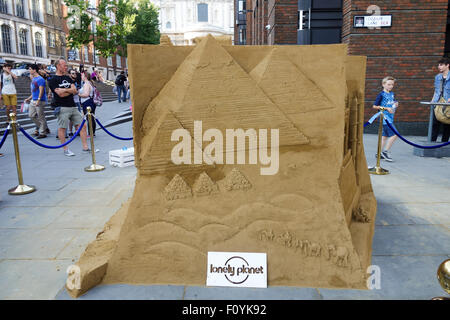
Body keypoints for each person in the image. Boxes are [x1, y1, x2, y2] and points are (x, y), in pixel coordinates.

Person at [48, 58, 89, 156]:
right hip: (62, 107)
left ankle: (85, 147)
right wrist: (69, 91)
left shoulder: (68, 78)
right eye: (64, 65)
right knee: (62, 128)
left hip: (73, 106)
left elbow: (75, 91)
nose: (66, 67)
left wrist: (64, 90)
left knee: (83, 125)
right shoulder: (52, 79)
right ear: (58, 66)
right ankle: (65, 149)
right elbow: (59, 94)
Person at [372, 76, 399, 162]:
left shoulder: (392, 94)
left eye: (392, 84)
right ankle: (385, 152)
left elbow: (392, 103)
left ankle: (379, 153)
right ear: (383, 84)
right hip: (385, 119)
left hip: (391, 117)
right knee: (395, 134)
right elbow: (375, 106)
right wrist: (386, 109)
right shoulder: (381, 95)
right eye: (388, 84)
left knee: (384, 137)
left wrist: (395, 104)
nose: (390, 86)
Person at [24, 64, 49, 139]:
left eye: (30, 69)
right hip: (33, 100)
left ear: (34, 70)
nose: (29, 70)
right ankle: (44, 127)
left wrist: (38, 100)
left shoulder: (40, 79)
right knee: (31, 115)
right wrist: (28, 98)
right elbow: (34, 91)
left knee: (40, 117)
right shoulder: (33, 79)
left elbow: (41, 91)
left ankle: (42, 133)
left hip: (40, 100)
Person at [431, 57, 450, 142]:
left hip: (447, 104)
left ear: (447, 65)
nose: (439, 67)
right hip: (437, 103)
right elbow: (436, 90)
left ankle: (443, 145)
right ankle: (431, 144)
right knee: (434, 125)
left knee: (447, 125)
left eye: (441, 65)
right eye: (438, 65)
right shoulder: (437, 77)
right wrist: (432, 102)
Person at [78, 71, 97, 136]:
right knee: (91, 117)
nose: (81, 77)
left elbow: (86, 94)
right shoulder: (90, 83)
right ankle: (92, 132)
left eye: (82, 75)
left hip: (87, 102)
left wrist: (79, 94)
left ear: (85, 77)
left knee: (89, 118)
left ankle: (91, 133)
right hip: (90, 101)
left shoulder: (86, 84)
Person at [68, 69, 82, 137]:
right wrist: (74, 91)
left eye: (75, 73)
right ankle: (70, 131)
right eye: (72, 73)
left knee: (78, 117)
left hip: (77, 101)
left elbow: (77, 91)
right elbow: (72, 92)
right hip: (70, 102)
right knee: (70, 118)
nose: (74, 75)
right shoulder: (68, 82)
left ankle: (77, 130)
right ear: (69, 74)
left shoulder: (77, 82)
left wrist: (75, 91)